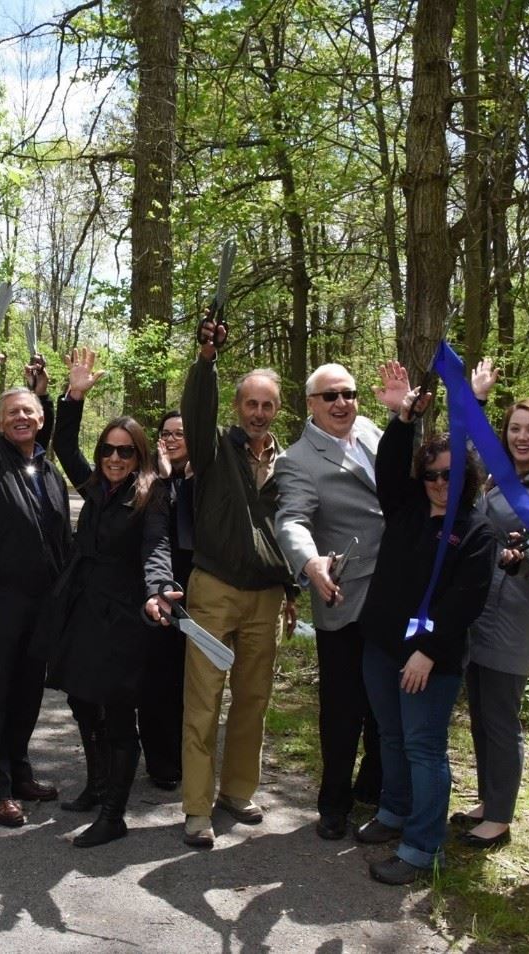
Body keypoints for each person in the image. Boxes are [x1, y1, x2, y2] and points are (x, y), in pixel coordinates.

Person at [355, 363, 495, 885]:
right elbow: (390, 468)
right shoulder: (407, 509)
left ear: (466, 477)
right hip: (383, 644)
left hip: (428, 659)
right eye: (432, 475)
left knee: (423, 746)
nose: (439, 483)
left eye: (450, 475)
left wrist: (429, 651)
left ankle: (422, 846)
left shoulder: (474, 531)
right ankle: (394, 812)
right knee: (390, 735)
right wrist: (400, 418)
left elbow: (466, 600)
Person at [37, 348, 176, 847]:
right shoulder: (94, 486)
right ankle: (97, 786)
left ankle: (114, 813)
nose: (115, 458)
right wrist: (72, 395)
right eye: (108, 450)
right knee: (81, 702)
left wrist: (160, 589)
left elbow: (157, 548)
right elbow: (65, 444)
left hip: (123, 619)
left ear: (139, 455)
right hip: (80, 610)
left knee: (118, 717)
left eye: (125, 451)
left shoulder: (152, 495)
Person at [178, 316, 296, 849]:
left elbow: (292, 531)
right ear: (237, 407)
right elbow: (195, 412)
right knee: (204, 700)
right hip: (214, 590)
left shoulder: (288, 464)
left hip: (266, 598)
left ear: (277, 410)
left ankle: (237, 792)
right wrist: (207, 361)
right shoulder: (212, 450)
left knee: (253, 697)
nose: (258, 413)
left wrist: (292, 590)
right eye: (251, 403)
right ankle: (197, 810)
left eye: (267, 405)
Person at [0, 339, 72, 828]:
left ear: (40, 418)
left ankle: (20, 771)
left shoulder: (46, 468)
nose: (21, 418)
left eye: (29, 411)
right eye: (11, 414)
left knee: (28, 693)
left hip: (44, 599)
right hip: (3, 597)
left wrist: (45, 393)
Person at [450, 364, 529, 849]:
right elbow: (465, 448)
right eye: (515, 428)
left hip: (515, 610)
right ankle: (488, 799)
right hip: (478, 606)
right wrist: (474, 398)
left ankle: (500, 818)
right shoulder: (494, 476)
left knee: (500, 714)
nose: (522, 437)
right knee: (479, 709)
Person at [273, 362, 385, 843]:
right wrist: (310, 562)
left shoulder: (373, 432)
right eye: (330, 396)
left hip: (395, 591)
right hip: (344, 594)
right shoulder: (298, 459)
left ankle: (375, 789)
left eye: (349, 393)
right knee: (343, 707)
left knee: (388, 703)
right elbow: (291, 519)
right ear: (311, 404)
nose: (342, 403)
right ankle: (333, 804)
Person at [135, 409, 191, 791]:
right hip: (157, 588)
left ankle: (190, 758)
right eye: (166, 433)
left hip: (198, 587)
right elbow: (156, 534)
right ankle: (162, 764)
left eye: (180, 434)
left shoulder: (205, 476)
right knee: (157, 678)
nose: (171, 440)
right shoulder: (149, 480)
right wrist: (165, 478)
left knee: (190, 680)